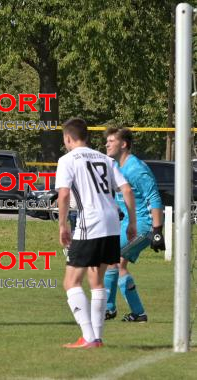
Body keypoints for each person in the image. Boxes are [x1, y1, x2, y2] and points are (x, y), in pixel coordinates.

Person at [55, 118, 137, 348]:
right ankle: (97, 338)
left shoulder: (67, 159)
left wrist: (62, 225)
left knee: (71, 282)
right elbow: (127, 189)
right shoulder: (105, 159)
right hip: (111, 222)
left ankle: (88, 337)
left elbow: (63, 195)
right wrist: (132, 223)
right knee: (97, 280)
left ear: (68, 138)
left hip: (89, 222)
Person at [104, 127, 165, 322]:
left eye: (111, 141)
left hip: (143, 226)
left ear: (124, 144)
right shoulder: (117, 167)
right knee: (119, 265)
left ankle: (108, 308)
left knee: (110, 258)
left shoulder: (135, 168)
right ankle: (138, 313)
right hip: (129, 225)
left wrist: (157, 231)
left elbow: (154, 196)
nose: (107, 144)